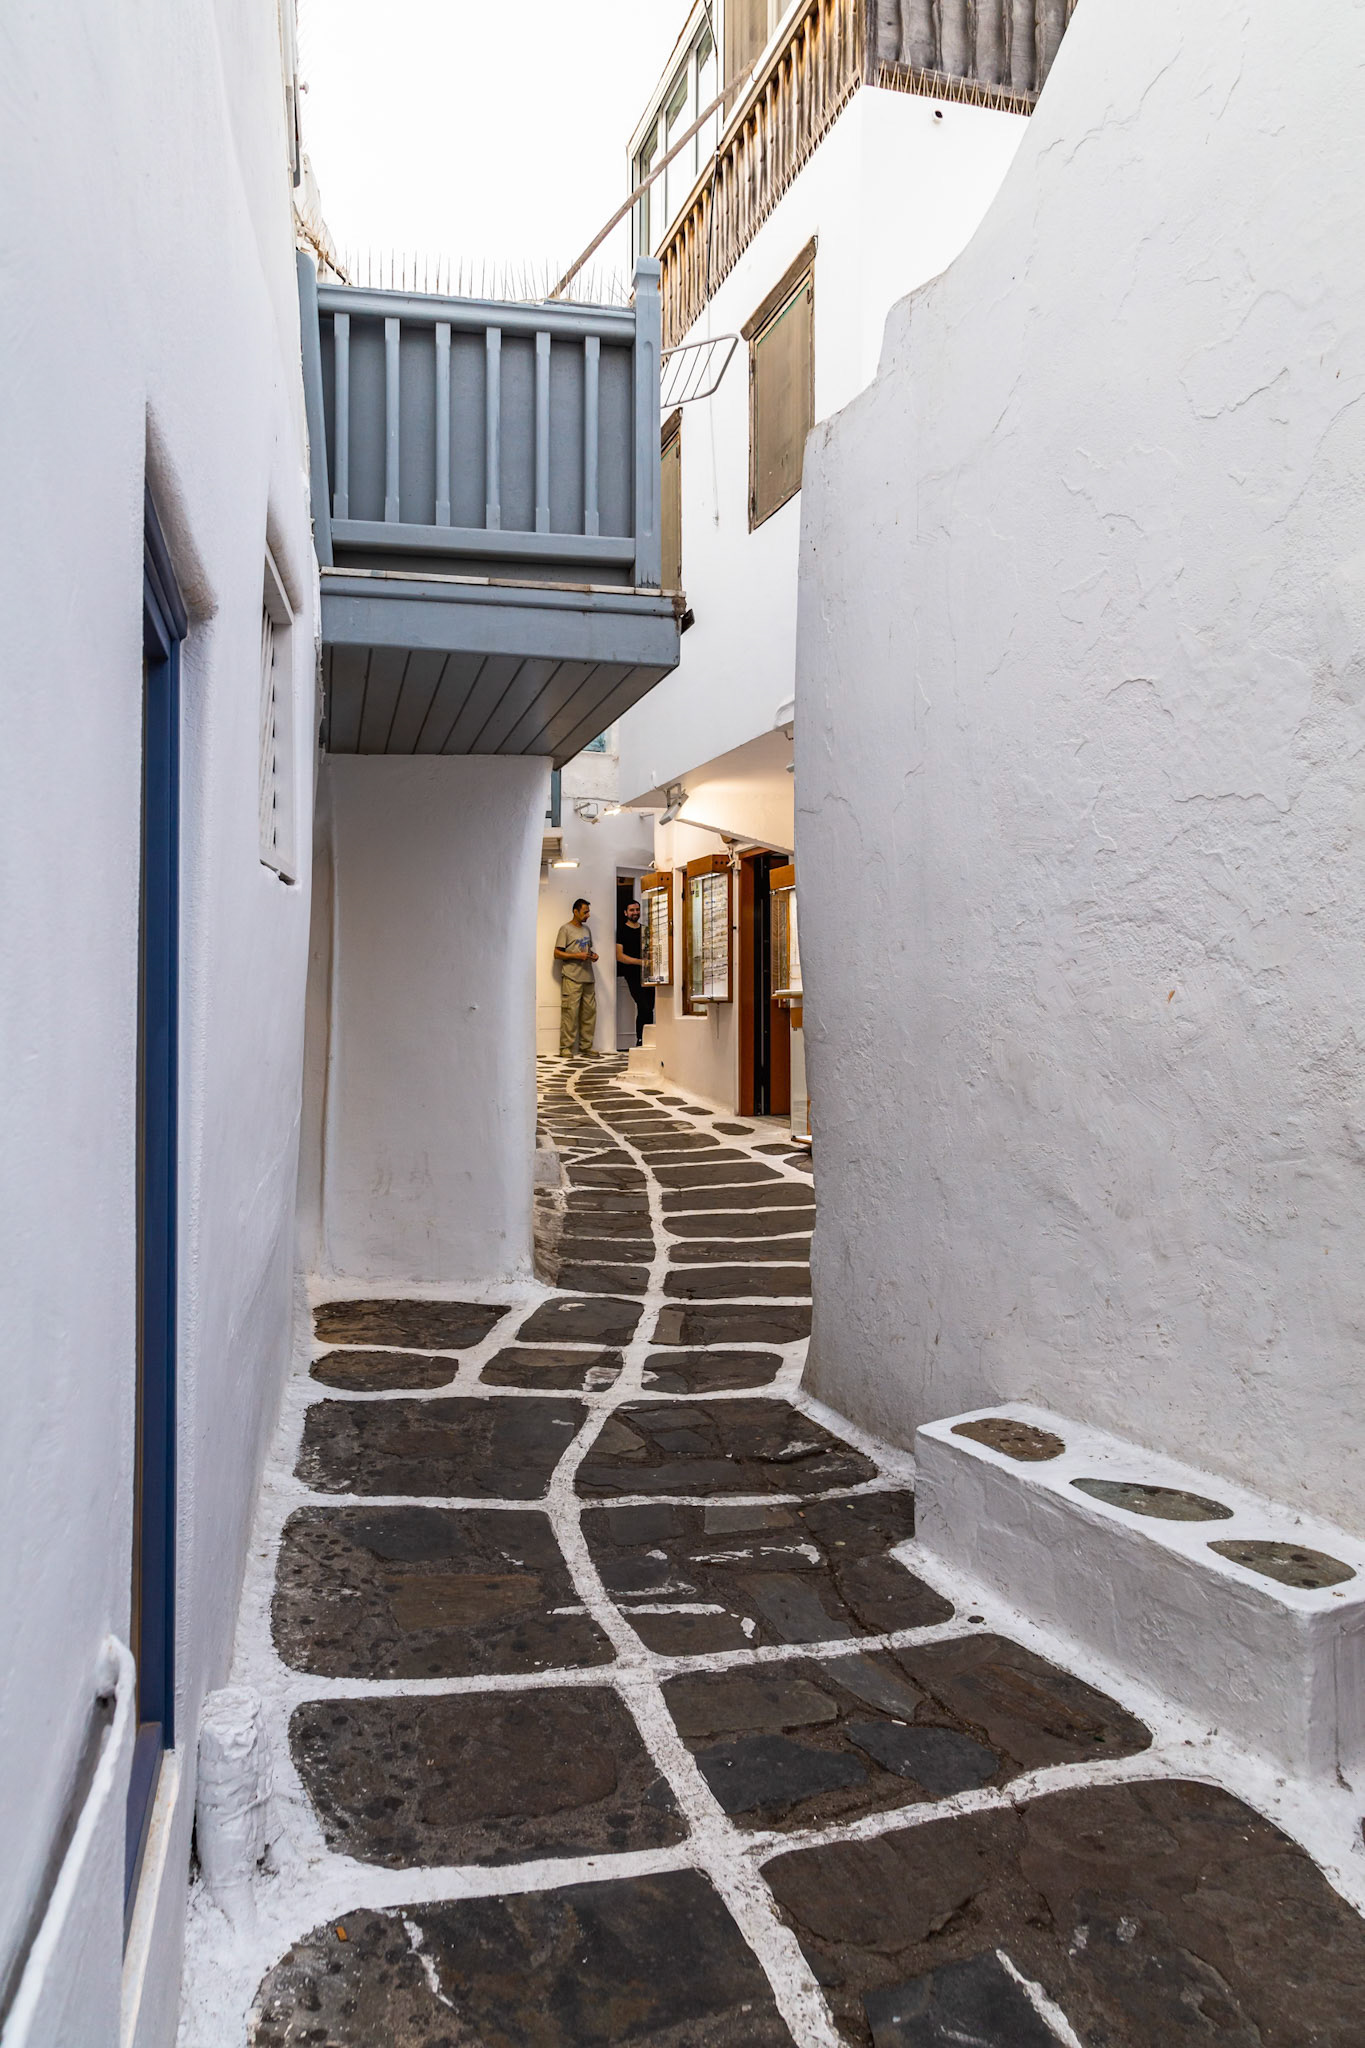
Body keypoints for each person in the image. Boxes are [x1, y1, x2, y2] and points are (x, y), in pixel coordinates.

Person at [554, 897, 598, 1056]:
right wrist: (576, 956)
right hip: (571, 978)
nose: (588, 915)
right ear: (575, 911)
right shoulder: (565, 929)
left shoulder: (587, 930)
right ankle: (565, 1048)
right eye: (585, 912)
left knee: (589, 1014)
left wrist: (593, 956)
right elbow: (557, 953)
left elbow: (587, 950)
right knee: (570, 1013)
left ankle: (586, 1046)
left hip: (588, 977)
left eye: (588, 912)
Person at [616, 897, 655, 1046]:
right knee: (643, 1005)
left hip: (648, 975)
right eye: (632, 910)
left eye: (637, 909)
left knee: (649, 1008)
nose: (635, 912)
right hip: (632, 975)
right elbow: (619, 956)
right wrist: (641, 963)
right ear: (625, 912)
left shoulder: (645, 930)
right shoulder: (621, 930)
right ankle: (641, 1039)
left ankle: (648, 1040)